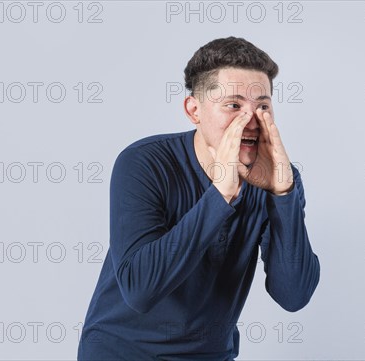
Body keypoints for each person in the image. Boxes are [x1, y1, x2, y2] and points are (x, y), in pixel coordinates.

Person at [77, 36, 320, 360]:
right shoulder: (143, 163)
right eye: (233, 105)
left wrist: (283, 195)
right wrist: (221, 195)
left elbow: (293, 295)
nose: (251, 120)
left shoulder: (275, 178)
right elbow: (140, 289)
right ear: (194, 110)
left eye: (262, 106)